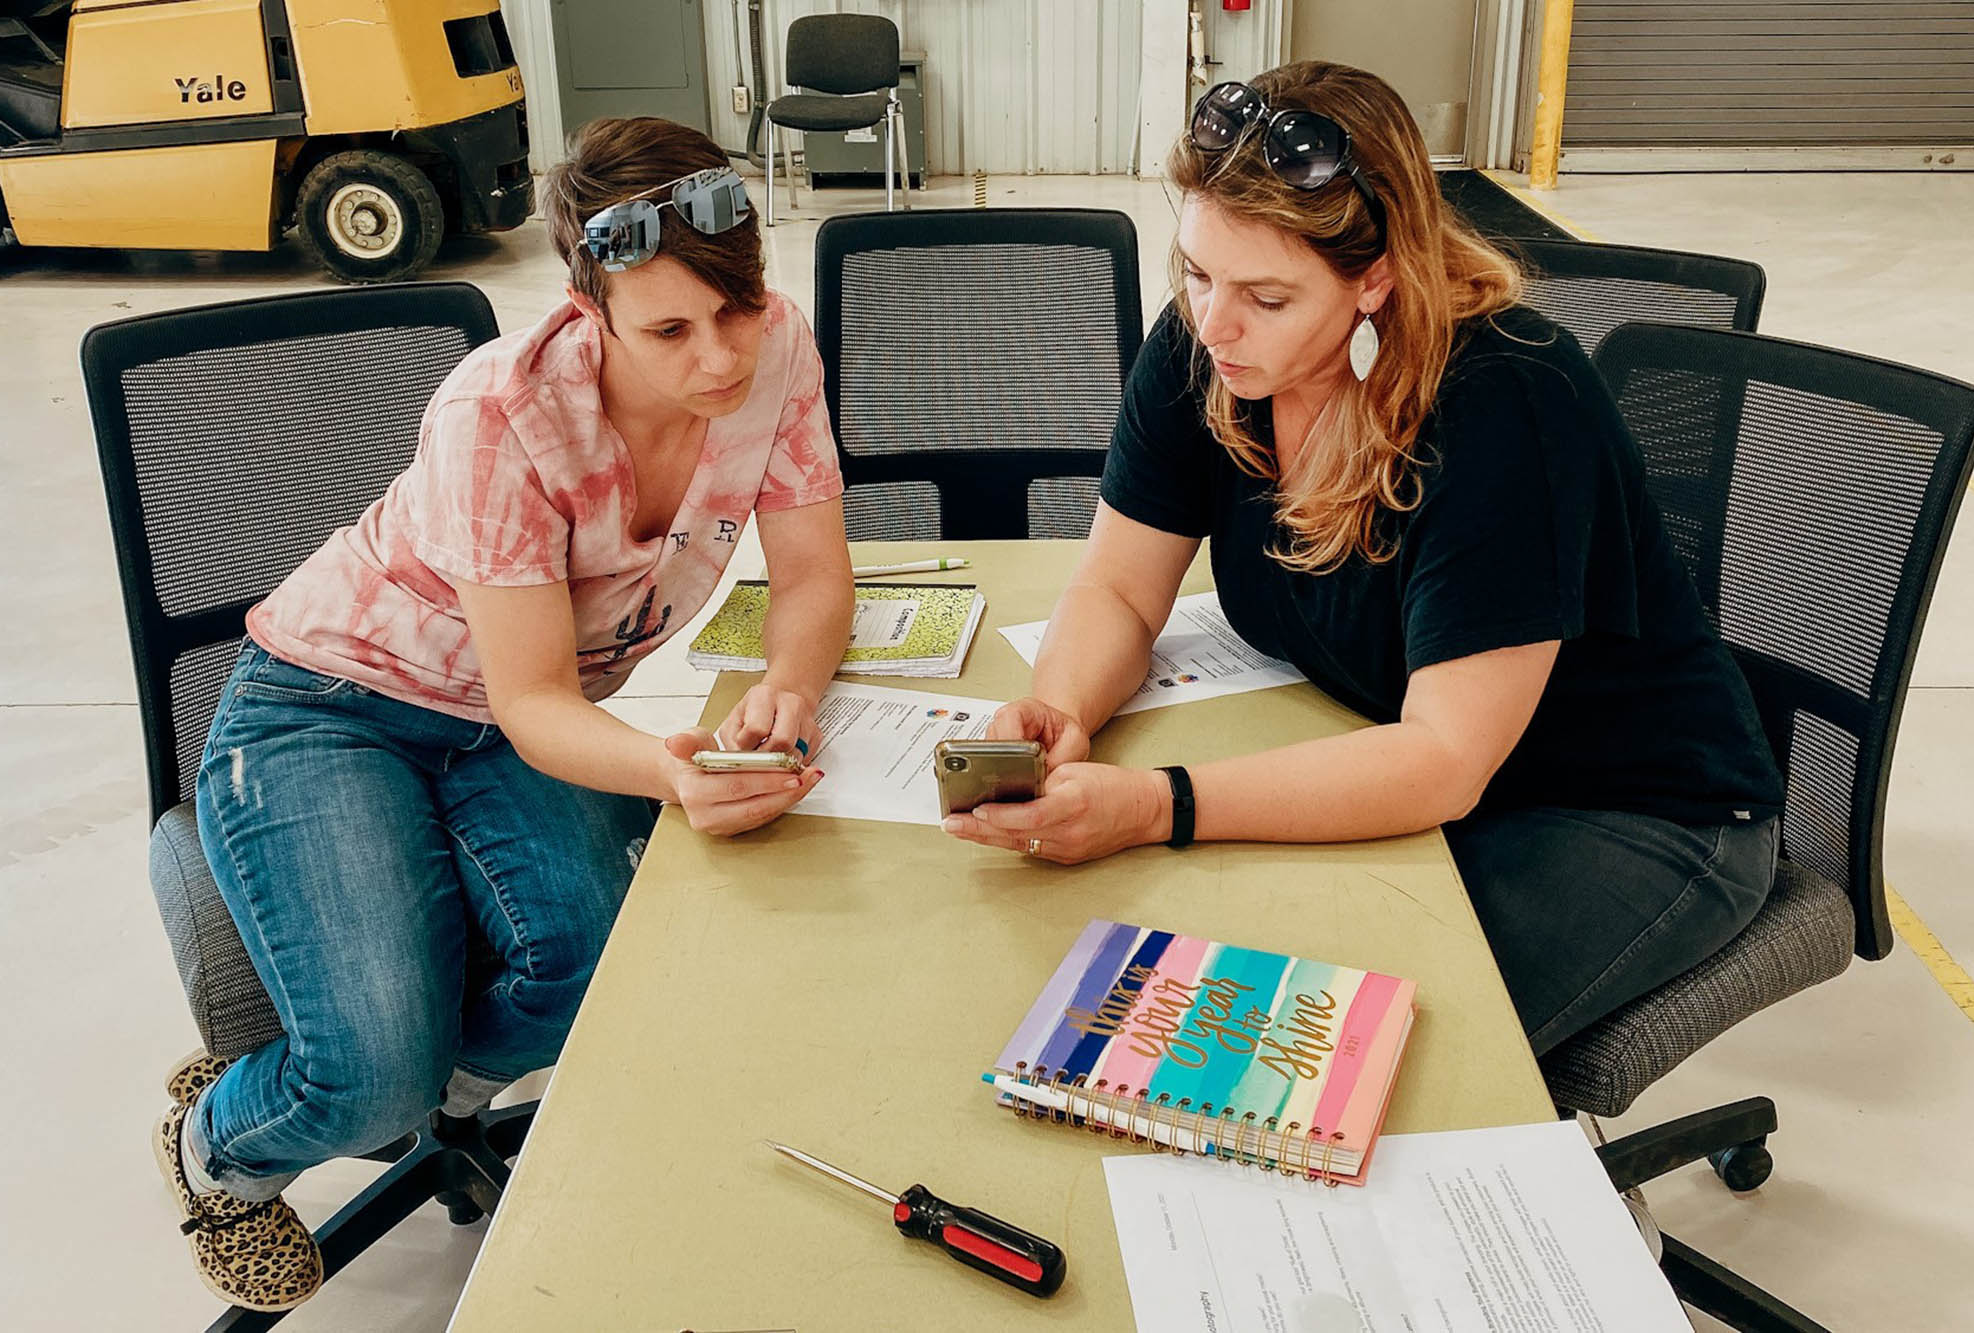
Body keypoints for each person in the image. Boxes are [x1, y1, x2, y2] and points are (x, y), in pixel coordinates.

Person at [944, 63, 1782, 1069]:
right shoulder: (1208, 347)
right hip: (1422, 767)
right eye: (1196, 273)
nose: (1212, 323)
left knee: (1319, 1060)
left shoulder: (1507, 400)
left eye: (1264, 295)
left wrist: (1158, 803)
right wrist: (1062, 708)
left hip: (1631, 812)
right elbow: (1119, 585)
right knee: (1203, 997)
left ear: (1375, 277)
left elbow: (1440, 759)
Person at [156, 117, 853, 1311]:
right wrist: (671, 772)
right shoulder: (502, 413)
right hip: (331, 708)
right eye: (670, 330)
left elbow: (813, 576)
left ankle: (441, 1088)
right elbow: (533, 699)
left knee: (589, 974)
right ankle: (217, 1144)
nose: (721, 357)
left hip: (515, 712)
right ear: (589, 307)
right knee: (370, 1078)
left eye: (736, 308)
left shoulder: (775, 349)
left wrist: (790, 684)